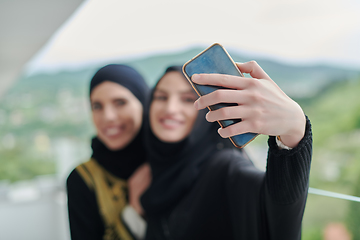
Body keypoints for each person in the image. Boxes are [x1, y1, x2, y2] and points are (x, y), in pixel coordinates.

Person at [140, 62, 312, 240]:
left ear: (210, 106)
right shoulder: (150, 168)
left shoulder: (225, 167)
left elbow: (278, 212)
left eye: (188, 99)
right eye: (161, 97)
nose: (170, 109)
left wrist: (294, 132)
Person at [66, 64, 151, 240]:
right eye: (97, 106)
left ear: (144, 103)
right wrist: (133, 211)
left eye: (120, 103)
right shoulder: (83, 179)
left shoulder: (170, 161)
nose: (108, 117)